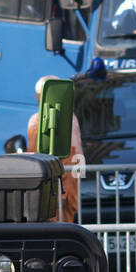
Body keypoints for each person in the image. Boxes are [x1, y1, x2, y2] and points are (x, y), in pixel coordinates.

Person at [26, 75, 84, 223]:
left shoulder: (37, 121)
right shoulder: (72, 119)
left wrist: (63, 193)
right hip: (56, 187)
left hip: (60, 188)